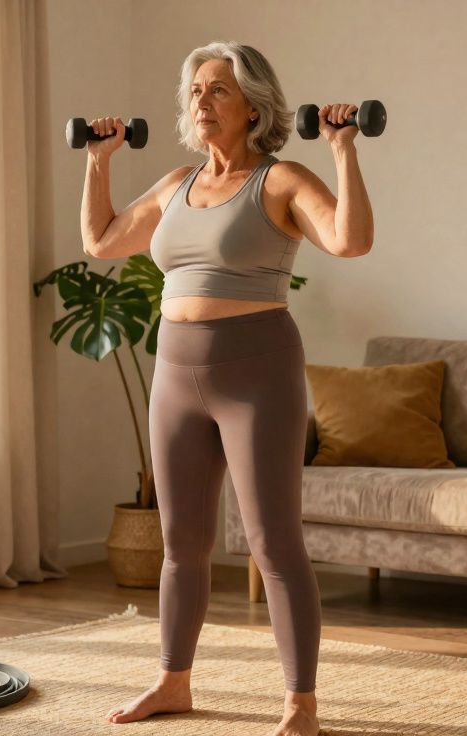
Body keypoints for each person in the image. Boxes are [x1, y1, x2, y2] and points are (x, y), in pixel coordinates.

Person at [79, 40, 373, 736]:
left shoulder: (280, 181)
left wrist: (344, 151)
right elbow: (102, 241)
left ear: (252, 107)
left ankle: (300, 703)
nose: (201, 102)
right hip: (176, 374)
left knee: (274, 542)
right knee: (181, 542)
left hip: (257, 371)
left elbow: (350, 240)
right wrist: (97, 164)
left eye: (217, 90)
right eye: (195, 91)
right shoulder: (176, 182)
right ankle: (172, 681)